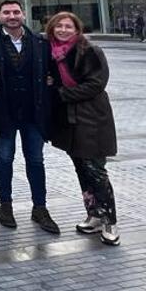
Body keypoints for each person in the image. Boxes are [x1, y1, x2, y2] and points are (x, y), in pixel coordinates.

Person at [0, 0, 60, 234]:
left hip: (33, 113)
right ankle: (5, 205)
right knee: (4, 159)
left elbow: (55, 72)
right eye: (6, 12)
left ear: (24, 15)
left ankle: (40, 207)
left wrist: (51, 83)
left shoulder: (40, 42)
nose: (12, 16)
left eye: (16, 12)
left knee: (36, 161)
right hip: (4, 112)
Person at [46, 12, 119, 245]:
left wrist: (60, 94)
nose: (64, 30)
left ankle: (110, 221)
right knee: (81, 168)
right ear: (52, 29)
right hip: (70, 121)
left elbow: (96, 84)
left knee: (96, 170)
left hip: (92, 118)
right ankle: (94, 214)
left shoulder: (90, 51)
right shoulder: (53, 54)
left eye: (69, 26)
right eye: (59, 26)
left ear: (77, 30)